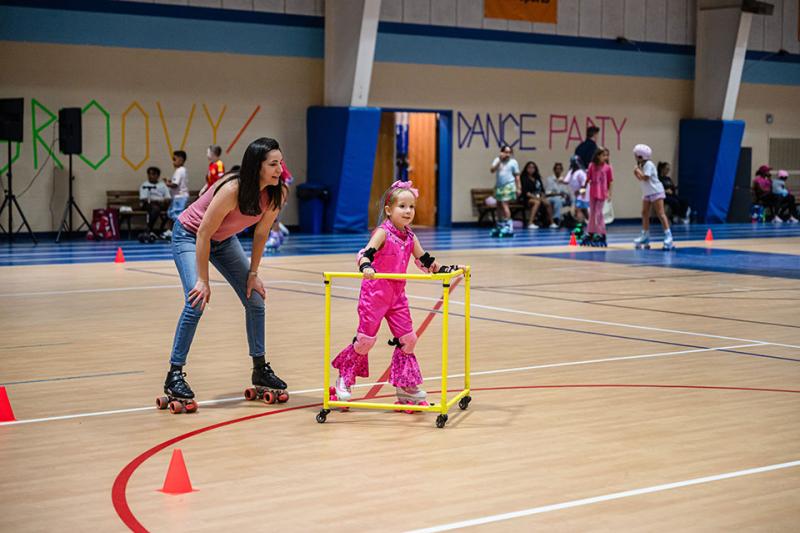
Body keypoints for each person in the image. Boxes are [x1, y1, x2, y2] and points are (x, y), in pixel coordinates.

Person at [161, 137, 288, 409]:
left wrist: (253, 274)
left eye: (280, 163)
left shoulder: (278, 192)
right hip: (189, 236)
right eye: (273, 164)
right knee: (195, 300)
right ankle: (174, 374)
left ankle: (259, 368)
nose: (280, 169)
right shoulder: (233, 188)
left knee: (255, 299)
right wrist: (203, 281)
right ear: (257, 166)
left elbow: (262, 233)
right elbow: (204, 232)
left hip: (225, 241)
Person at [330, 180, 463, 408]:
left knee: (408, 339)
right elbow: (365, 253)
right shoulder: (382, 233)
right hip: (375, 295)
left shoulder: (410, 237)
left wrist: (447, 270)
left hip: (397, 297)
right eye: (402, 206)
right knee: (365, 341)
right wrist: (366, 267)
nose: (408, 211)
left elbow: (426, 260)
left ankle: (405, 387)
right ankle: (344, 377)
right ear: (389, 210)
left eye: (411, 207)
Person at [632, 145, 673, 250]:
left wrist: (638, 171)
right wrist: (636, 173)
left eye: (636, 155)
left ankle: (669, 236)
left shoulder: (649, 164)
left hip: (656, 191)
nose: (635, 157)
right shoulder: (642, 164)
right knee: (644, 212)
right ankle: (645, 235)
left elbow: (646, 177)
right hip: (647, 192)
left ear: (640, 156)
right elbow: (641, 179)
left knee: (661, 213)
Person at [582, 147, 613, 247]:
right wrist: (583, 189)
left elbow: (610, 181)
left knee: (599, 213)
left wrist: (610, 193)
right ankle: (590, 232)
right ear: (598, 156)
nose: (605, 157)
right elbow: (588, 179)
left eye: (606, 155)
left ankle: (601, 233)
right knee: (592, 213)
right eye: (603, 155)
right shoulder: (591, 165)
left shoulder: (608, 167)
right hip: (593, 192)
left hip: (602, 193)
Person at [490, 144, 520, 237]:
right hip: (500, 186)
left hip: (509, 185)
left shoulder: (513, 162)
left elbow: (517, 176)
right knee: (498, 205)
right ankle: (500, 224)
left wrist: (519, 187)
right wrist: (499, 160)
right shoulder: (497, 160)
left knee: (504, 203)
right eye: (505, 152)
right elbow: (492, 170)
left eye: (509, 152)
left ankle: (508, 225)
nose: (507, 154)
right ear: (501, 152)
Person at [265, 160, 293, 251]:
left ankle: (275, 234)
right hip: (273, 191)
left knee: (273, 214)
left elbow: (288, 179)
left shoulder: (277, 161)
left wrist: (283, 196)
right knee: (271, 215)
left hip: (279, 192)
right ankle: (277, 234)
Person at [138, 166, 171, 241]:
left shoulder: (162, 185)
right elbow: (143, 198)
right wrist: (156, 200)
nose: (150, 176)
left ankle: (150, 230)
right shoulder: (144, 185)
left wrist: (164, 200)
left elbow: (168, 197)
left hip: (161, 204)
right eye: (149, 174)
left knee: (167, 210)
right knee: (155, 208)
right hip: (148, 204)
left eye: (153, 174)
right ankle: (150, 230)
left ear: (158, 176)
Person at [561, 155, 589, 239]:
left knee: (578, 210)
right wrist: (561, 180)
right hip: (577, 194)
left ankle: (579, 229)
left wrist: (581, 192)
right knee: (585, 212)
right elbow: (566, 181)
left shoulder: (581, 172)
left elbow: (585, 184)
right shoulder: (571, 172)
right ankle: (593, 227)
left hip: (583, 193)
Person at [164, 150, 190, 238]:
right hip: (178, 197)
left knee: (177, 215)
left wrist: (167, 184)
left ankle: (181, 232)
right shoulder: (182, 170)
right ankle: (171, 231)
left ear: (181, 160)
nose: (173, 162)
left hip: (180, 197)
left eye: (174, 159)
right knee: (172, 213)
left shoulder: (179, 170)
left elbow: (175, 184)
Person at [519, 161, 552, 229]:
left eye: (533, 168)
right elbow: (526, 192)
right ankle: (530, 223)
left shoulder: (537, 178)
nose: (531, 169)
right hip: (527, 198)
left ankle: (552, 222)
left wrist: (542, 197)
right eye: (529, 167)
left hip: (538, 197)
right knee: (537, 202)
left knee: (547, 203)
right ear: (526, 169)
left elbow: (542, 190)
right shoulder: (523, 178)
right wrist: (537, 198)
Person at [545, 162, 570, 227]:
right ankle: (556, 219)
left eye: (559, 169)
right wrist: (558, 194)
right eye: (557, 169)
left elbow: (566, 192)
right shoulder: (549, 179)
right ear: (554, 170)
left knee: (573, 200)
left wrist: (566, 195)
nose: (558, 170)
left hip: (562, 198)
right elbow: (548, 192)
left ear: (562, 170)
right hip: (551, 198)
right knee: (557, 200)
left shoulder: (564, 180)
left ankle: (573, 220)